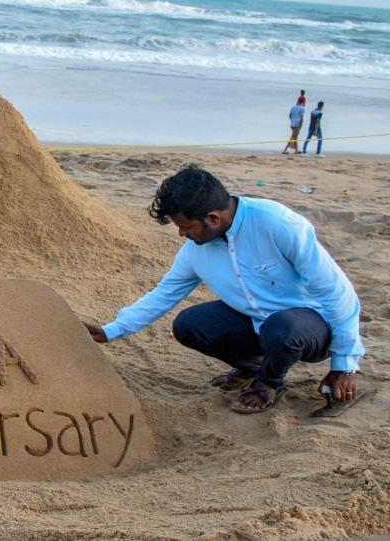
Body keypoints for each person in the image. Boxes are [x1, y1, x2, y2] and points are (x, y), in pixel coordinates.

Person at [83, 165, 363, 413]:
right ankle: (252, 367)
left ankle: (268, 384)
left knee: (282, 327)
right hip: (257, 323)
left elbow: (338, 295)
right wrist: (112, 330)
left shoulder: (279, 224)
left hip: (310, 327)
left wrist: (343, 365)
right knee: (188, 324)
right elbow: (163, 294)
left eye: (186, 227)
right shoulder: (195, 250)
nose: (182, 234)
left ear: (213, 218)